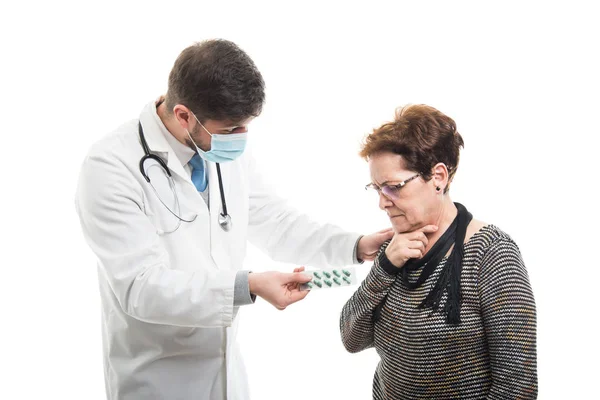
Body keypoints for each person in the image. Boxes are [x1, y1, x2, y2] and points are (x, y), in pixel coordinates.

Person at [75, 39, 393, 400]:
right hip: (158, 380)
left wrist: (354, 246)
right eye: (230, 130)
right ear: (184, 116)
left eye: (245, 127)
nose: (240, 140)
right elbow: (141, 288)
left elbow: (273, 220)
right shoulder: (111, 167)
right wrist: (249, 286)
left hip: (227, 377)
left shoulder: (217, 143)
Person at [340, 104, 537, 399]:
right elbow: (352, 338)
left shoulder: (492, 255)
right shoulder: (393, 247)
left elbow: (516, 389)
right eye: (377, 188)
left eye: (393, 187)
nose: (382, 202)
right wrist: (384, 267)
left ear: (439, 177)